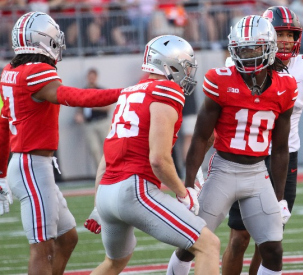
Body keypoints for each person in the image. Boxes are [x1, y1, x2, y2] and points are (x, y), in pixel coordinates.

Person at [166, 15, 297, 275]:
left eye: (254, 48)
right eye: (242, 48)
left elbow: (281, 149)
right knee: (190, 242)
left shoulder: (285, 86)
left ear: (268, 48)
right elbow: (201, 137)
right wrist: (189, 187)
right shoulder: (220, 80)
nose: (247, 54)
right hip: (223, 171)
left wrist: (280, 198)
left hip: (258, 173)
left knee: (273, 250)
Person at [0, 12, 121, 274]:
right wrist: (124, 94)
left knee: (68, 238)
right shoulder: (36, 72)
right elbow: (75, 96)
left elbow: (2, 124)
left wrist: (1, 172)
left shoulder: (10, 71)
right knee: (41, 249)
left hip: (32, 165)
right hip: (31, 166)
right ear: (45, 40)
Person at [89, 35, 220, 275]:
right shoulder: (167, 90)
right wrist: (183, 193)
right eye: (186, 67)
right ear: (170, 65)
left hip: (107, 193)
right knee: (209, 245)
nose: (188, 73)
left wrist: (98, 204)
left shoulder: (129, 92)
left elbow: (105, 160)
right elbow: (158, 159)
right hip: (134, 190)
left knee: (114, 263)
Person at [220, 6, 303, 275]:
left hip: (285, 160)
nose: (285, 40)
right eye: (279, 33)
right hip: (248, 156)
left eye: (290, 34)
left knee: (269, 242)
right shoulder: (242, 62)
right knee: (239, 237)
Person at [74, 68, 113, 170]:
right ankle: (101, 173)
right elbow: (79, 109)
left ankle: (112, 171)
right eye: (89, 77)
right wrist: (78, 115)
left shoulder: (101, 90)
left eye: (93, 77)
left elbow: (108, 107)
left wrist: (94, 105)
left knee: (108, 148)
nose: (91, 79)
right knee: (94, 149)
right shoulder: (83, 91)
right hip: (89, 124)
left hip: (102, 122)